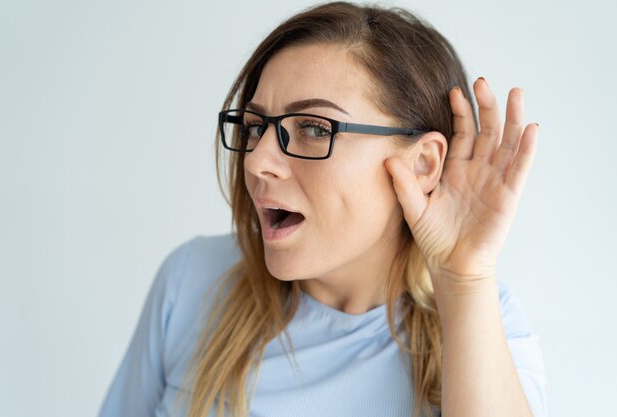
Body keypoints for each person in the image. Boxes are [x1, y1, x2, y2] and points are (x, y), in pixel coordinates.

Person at [97, 2, 547, 417]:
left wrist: (462, 279)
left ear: (423, 164)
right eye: (255, 127)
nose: (256, 161)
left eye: (314, 127)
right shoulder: (192, 280)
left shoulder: (485, 321)